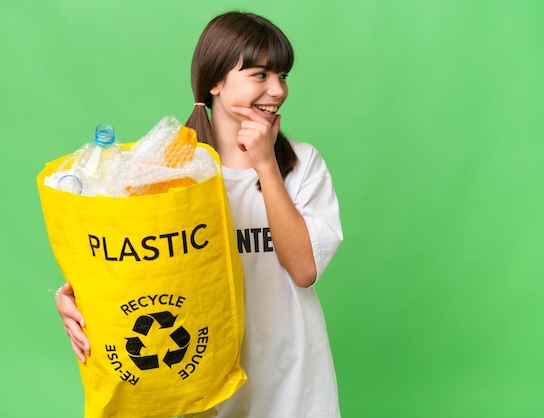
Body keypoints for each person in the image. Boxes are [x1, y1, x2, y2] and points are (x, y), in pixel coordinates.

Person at [56, 11, 343, 418]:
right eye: (260, 75)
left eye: (283, 76)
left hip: (290, 376)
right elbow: (126, 264)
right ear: (215, 82)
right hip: (198, 376)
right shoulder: (169, 171)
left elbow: (303, 269)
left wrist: (265, 165)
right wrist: (69, 301)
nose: (278, 90)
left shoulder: (303, 164)